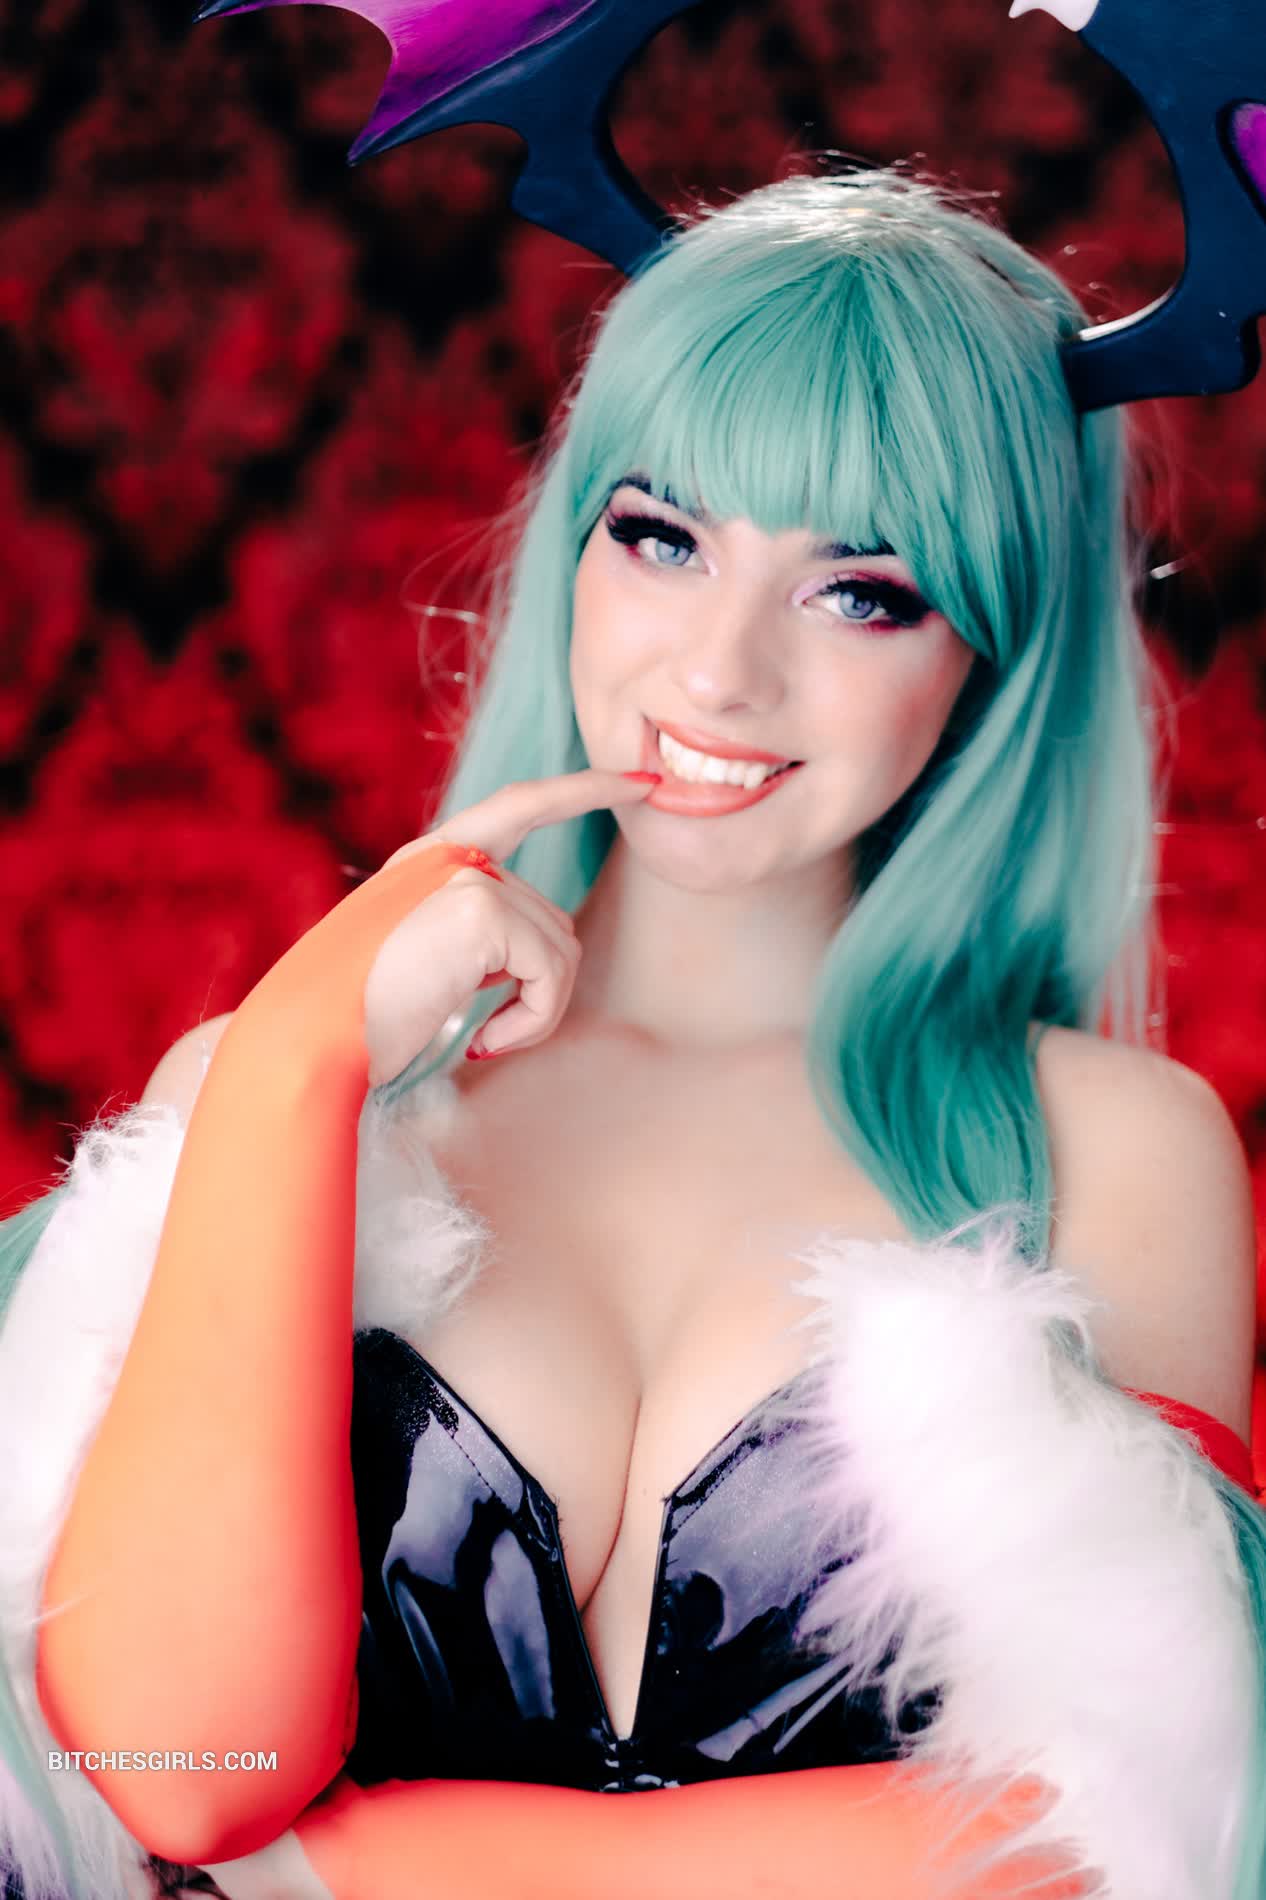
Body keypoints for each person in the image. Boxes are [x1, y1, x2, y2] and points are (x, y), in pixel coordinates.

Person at [0, 171, 1262, 1900]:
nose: (719, 672)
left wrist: (356, 1868)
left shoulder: (1108, 1148)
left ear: (991, 649)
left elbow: (1142, 1819)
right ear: (573, 550)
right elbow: (173, 1770)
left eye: (860, 592)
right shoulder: (280, 1089)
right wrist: (297, 1057)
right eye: (663, 536)